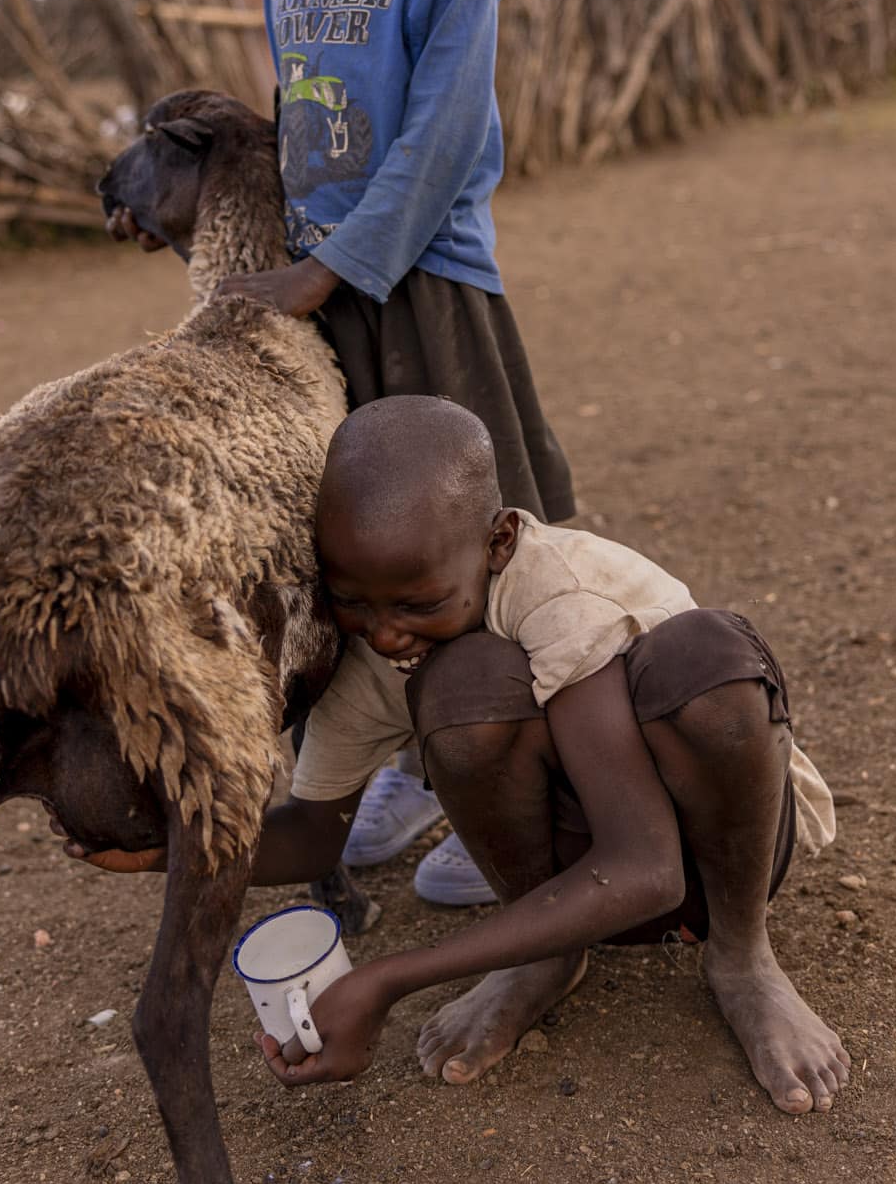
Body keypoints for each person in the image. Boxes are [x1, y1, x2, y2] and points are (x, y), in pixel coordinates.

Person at [66, 398, 850, 1118]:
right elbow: (313, 830)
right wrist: (167, 846)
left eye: (417, 604)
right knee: (460, 682)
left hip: (712, 855)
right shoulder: (380, 649)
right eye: (353, 601)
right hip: (581, 882)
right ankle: (542, 956)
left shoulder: (560, 595)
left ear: (499, 540)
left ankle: (743, 958)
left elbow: (648, 868)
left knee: (701, 659)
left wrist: (386, 978)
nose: (384, 633)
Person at [217, 0, 574, 902]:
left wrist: (325, 269)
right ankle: (403, 757)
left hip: (427, 289)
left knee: (479, 538)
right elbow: (301, 132)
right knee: (364, 550)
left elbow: (433, 141)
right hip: (332, 308)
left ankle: (510, 787)